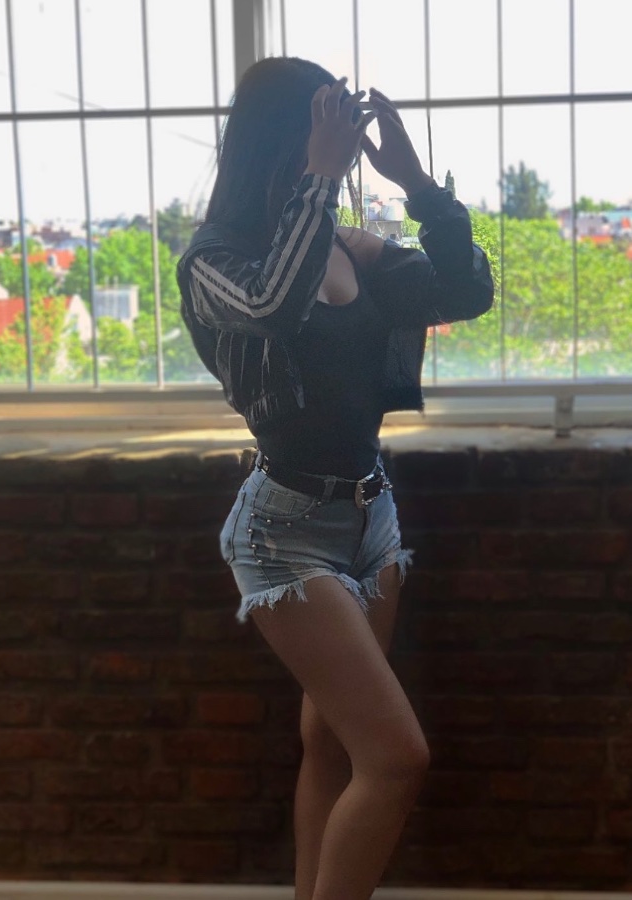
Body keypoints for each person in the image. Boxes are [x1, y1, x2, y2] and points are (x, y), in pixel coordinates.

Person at [177, 56, 493, 900]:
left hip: (370, 520)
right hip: (282, 532)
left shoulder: (353, 245)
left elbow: (465, 292)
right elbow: (272, 306)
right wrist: (318, 180)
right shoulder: (214, 261)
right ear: (283, 138)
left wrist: (417, 186)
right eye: (325, 129)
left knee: (332, 743)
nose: (343, 148)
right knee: (395, 757)